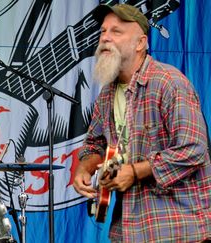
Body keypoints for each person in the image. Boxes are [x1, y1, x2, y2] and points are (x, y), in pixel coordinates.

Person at [73, 4, 211, 242]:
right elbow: (94, 144)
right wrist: (85, 167)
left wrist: (135, 171)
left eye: (116, 31)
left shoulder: (170, 83)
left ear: (140, 43)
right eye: (103, 31)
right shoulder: (107, 94)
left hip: (176, 228)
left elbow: (194, 149)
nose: (105, 37)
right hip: (127, 229)